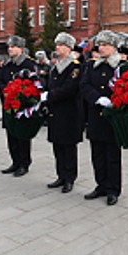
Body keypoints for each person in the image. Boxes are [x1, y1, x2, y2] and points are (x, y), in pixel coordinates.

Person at [81, 30, 123, 206]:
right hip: (95, 115)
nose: (101, 48)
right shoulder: (92, 65)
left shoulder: (120, 65)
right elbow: (84, 84)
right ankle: (101, 185)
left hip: (113, 117)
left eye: (105, 45)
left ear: (114, 47)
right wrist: (97, 98)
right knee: (97, 154)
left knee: (112, 156)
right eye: (100, 44)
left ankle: (113, 189)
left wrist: (113, 100)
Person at [42, 32, 83, 193]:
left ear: (68, 47)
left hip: (69, 112)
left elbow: (69, 89)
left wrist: (49, 96)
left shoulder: (75, 66)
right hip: (55, 111)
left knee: (68, 147)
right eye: (57, 45)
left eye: (60, 45)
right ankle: (61, 175)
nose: (57, 48)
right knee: (57, 145)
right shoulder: (56, 66)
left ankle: (70, 178)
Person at [0, 35, 37, 177]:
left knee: (22, 136)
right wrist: (6, 91)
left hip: (22, 106)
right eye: (9, 47)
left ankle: (24, 163)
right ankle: (15, 162)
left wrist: (20, 95)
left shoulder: (28, 64)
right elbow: (0, 79)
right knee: (11, 134)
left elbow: (32, 83)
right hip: (9, 105)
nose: (10, 49)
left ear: (21, 48)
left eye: (13, 47)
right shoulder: (8, 65)